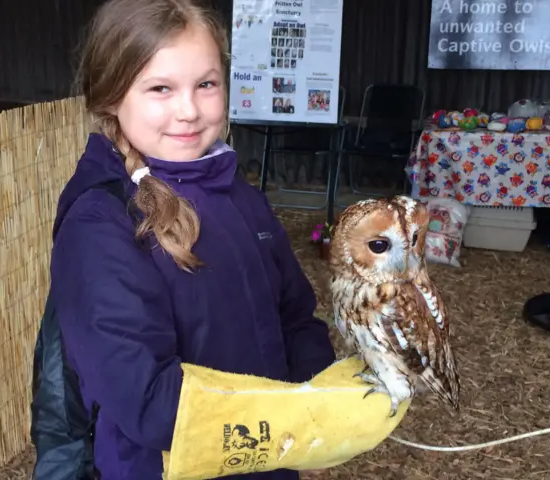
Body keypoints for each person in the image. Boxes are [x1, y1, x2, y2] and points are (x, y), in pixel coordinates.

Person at [46, 0, 408, 478]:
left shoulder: (241, 197)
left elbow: (295, 317)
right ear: (112, 96)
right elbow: (146, 400)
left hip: (270, 459)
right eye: (160, 88)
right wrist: (293, 419)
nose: (189, 110)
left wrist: (321, 396)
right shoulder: (101, 223)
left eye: (206, 84)